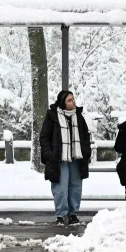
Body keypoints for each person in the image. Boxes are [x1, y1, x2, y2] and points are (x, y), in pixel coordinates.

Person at [38, 90, 92, 226]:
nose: (73, 102)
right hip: (58, 159)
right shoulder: (52, 116)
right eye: (69, 100)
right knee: (61, 188)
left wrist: (86, 152)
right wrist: (50, 155)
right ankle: (60, 215)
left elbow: (86, 136)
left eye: (73, 99)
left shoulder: (79, 116)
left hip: (76, 158)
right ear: (62, 102)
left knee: (75, 187)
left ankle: (73, 214)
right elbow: (44, 137)